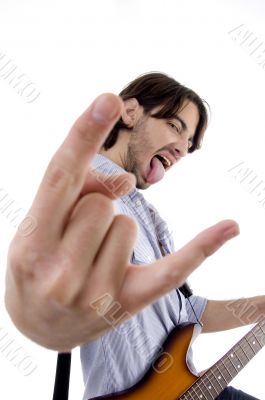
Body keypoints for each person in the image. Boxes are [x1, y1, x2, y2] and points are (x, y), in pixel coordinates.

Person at [78, 72, 264, 400]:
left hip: (188, 390)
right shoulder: (88, 190)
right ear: (130, 112)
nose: (180, 149)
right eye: (175, 127)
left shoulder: (152, 222)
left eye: (188, 145)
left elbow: (187, 313)